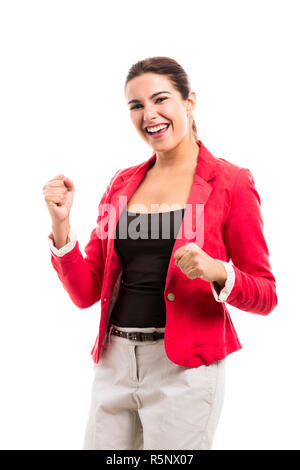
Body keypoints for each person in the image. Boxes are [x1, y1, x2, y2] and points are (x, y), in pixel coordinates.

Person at [42, 56, 277, 450]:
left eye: (160, 99)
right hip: (114, 362)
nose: (149, 114)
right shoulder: (121, 184)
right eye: (136, 106)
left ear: (189, 102)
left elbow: (267, 295)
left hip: (183, 371)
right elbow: (87, 291)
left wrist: (220, 272)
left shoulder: (231, 183)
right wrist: (61, 225)